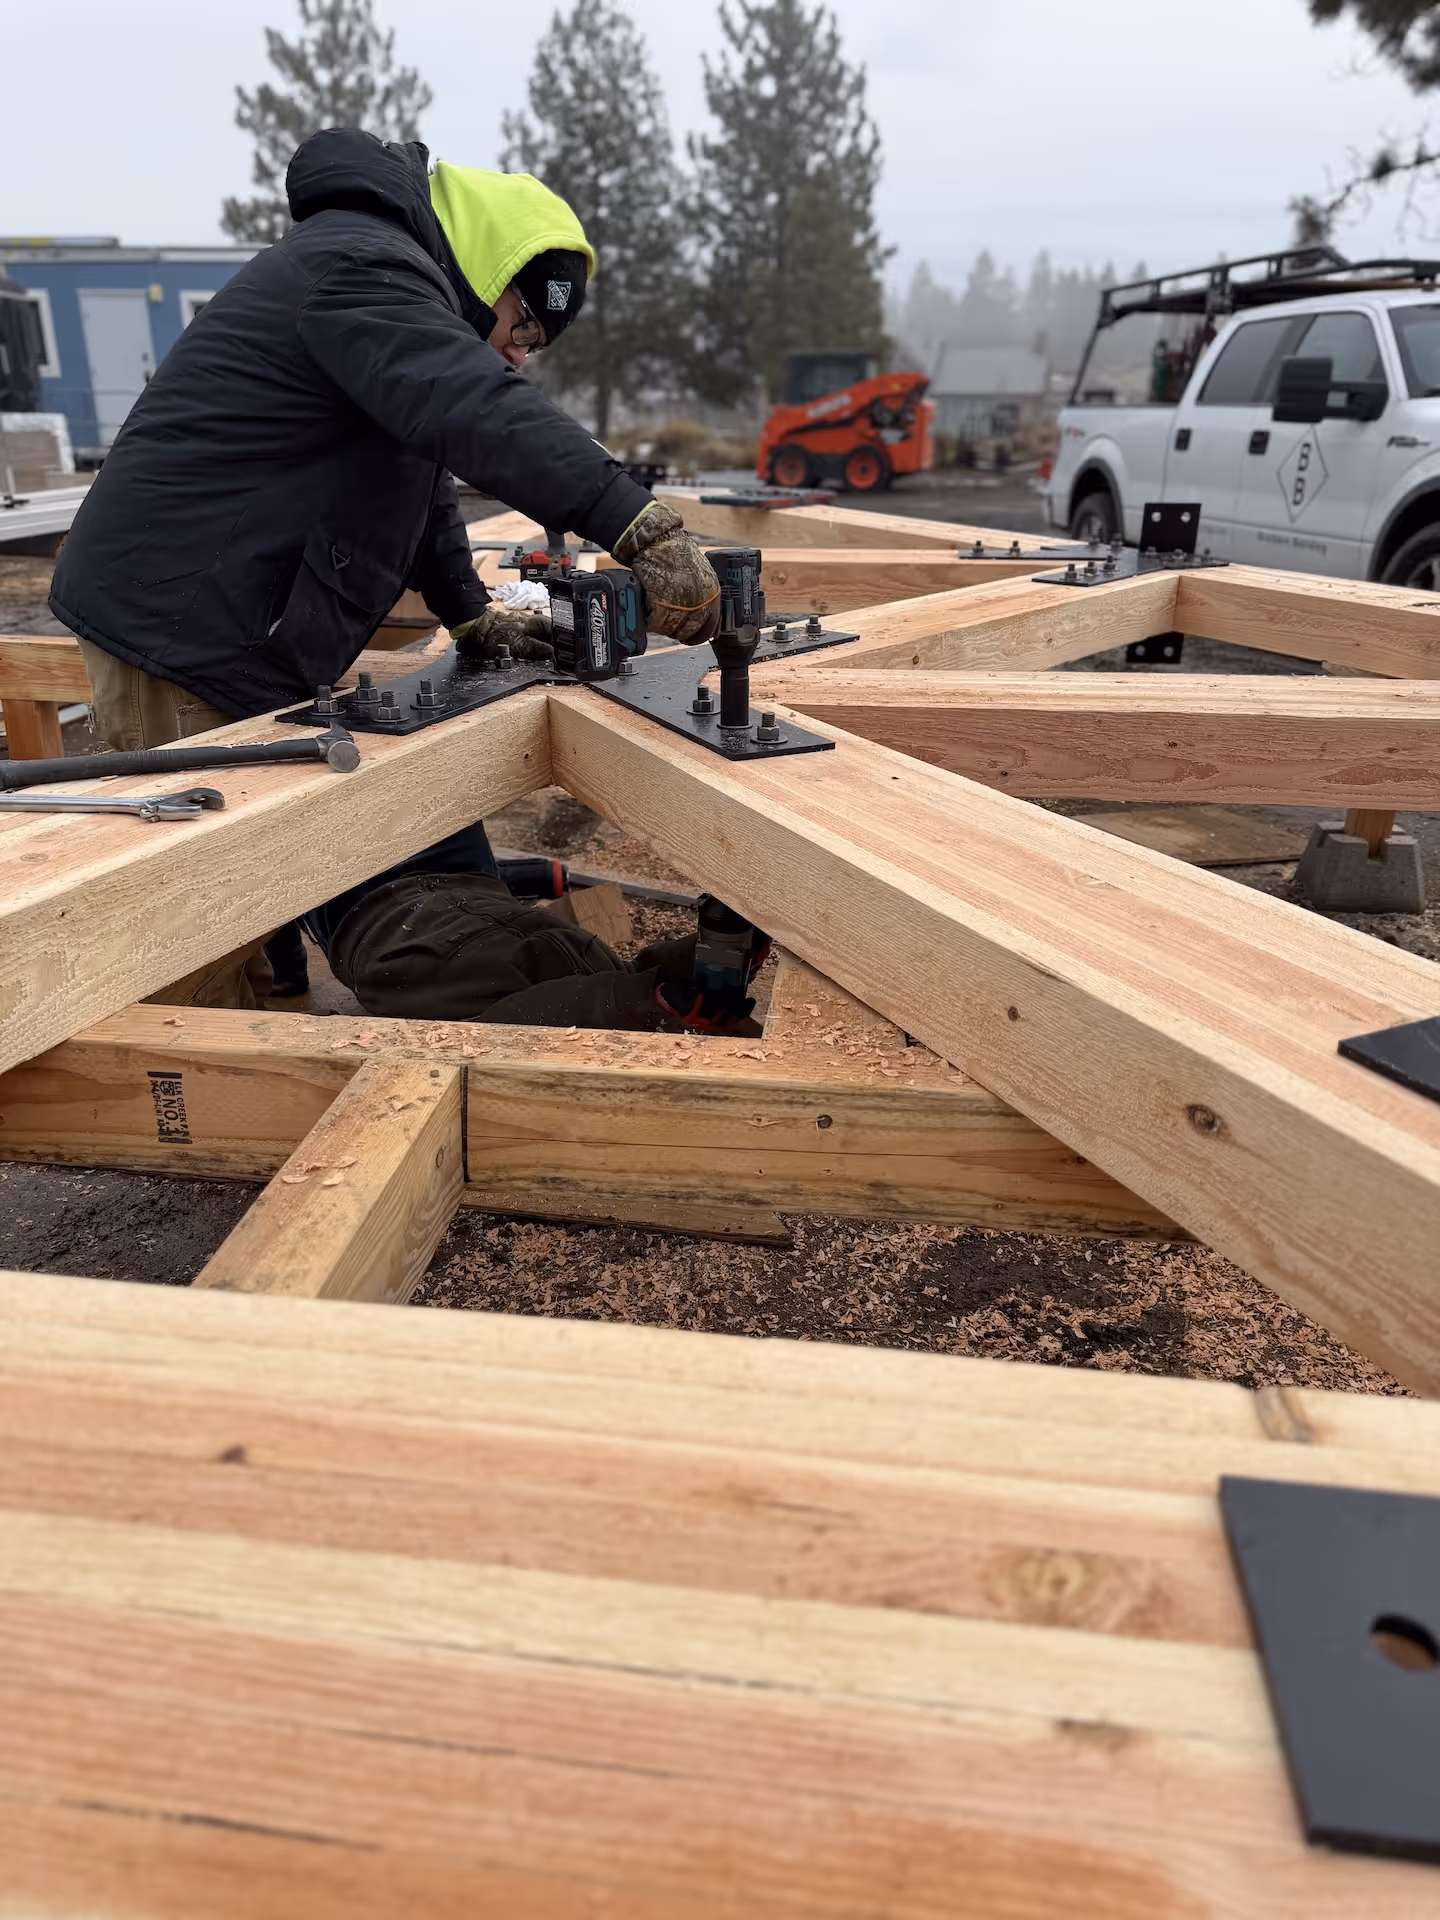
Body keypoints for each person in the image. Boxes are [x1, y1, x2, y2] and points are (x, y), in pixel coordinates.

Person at [51, 127, 720, 1005]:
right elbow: (467, 405)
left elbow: (419, 480)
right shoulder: (360, 266)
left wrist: (470, 616)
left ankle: (268, 1011)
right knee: (197, 915)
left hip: (213, 614)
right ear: (486, 277)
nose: (517, 354)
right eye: (520, 327)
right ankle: (193, 1105)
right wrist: (632, 520)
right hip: (177, 628)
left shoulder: (375, 278)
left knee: (244, 879)